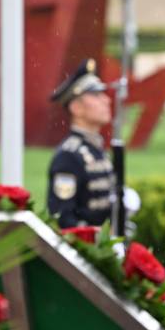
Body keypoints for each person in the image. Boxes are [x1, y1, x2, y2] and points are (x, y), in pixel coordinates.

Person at [47, 59, 115, 228]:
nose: (106, 100)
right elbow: (63, 218)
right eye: (96, 95)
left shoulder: (94, 149)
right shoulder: (69, 156)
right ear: (76, 108)